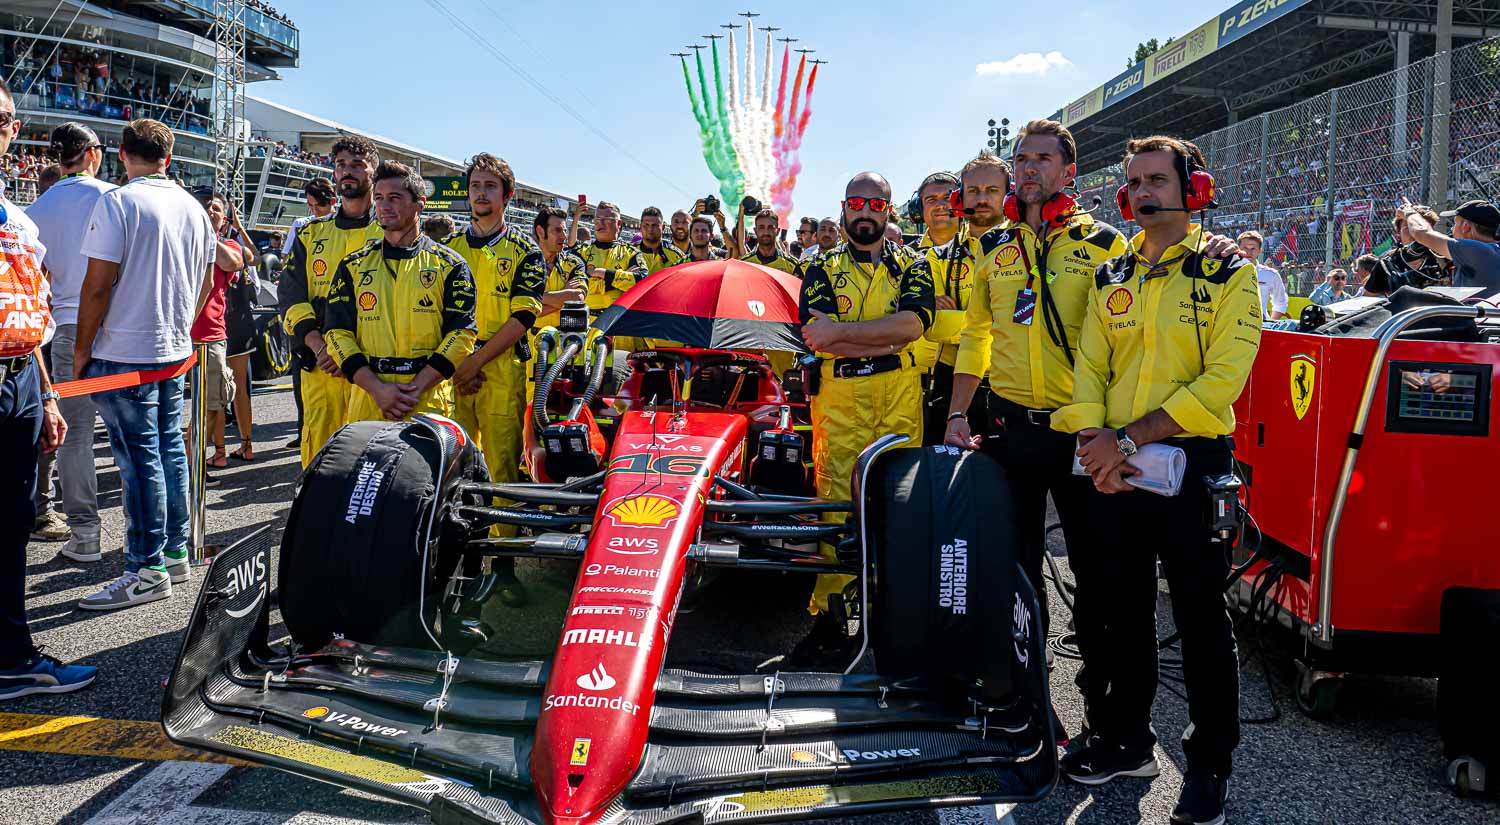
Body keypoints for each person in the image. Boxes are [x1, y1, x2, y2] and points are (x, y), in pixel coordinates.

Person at [1051, 136, 1261, 825]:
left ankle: (1209, 766)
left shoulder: (1229, 271)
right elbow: (1089, 370)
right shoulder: (1114, 273)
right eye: (1133, 181)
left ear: (1192, 187)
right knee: (1120, 610)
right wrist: (1096, 447)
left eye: (1155, 179)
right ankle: (1128, 740)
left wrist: (1127, 438)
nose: (1142, 191)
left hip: (1192, 463)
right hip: (1115, 465)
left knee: (1201, 617)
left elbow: (1224, 378)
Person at [945, 125, 1129, 701]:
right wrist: (958, 414)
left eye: (1042, 159)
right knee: (1015, 564)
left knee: (1095, 572)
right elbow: (977, 333)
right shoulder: (994, 246)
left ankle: (1103, 709)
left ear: (1068, 171)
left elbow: (1127, 339)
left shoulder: (1105, 244)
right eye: (1020, 158)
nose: (1028, 168)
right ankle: (1025, 690)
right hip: (1008, 428)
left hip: (1080, 434)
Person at [74, 118, 217, 611]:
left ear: (121, 154)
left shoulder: (117, 201)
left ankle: (146, 567)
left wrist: (80, 349)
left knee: (140, 463)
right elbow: (203, 283)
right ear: (169, 158)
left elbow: (96, 286)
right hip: (173, 347)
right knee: (167, 452)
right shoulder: (194, 209)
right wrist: (180, 326)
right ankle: (173, 552)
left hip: (125, 350)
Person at [795, 171, 934, 659]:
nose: (867, 211)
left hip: (898, 393)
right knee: (835, 507)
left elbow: (914, 325)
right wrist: (883, 334)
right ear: (843, 207)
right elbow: (816, 336)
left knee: (899, 503)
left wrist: (845, 333)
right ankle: (831, 616)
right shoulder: (819, 268)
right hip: (840, 398)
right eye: (858, 202)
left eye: (877, 204)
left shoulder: (912, 264)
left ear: (889, 211)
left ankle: (894, 615)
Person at [0, 78, 98, 699]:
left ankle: (11, 658)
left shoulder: (15, 212)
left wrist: (48, 391)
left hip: (19, 380)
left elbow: (30, 304)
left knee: (12, 522)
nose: (1, 129)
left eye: (6, 119)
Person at [442, 154, 544, 606]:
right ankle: (459, 562)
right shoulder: (444, 250)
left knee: (502, 470)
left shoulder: (526, 252)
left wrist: (474, 362)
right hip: (452, 369)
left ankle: (502, 566)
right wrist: (457, 365)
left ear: (507, 195)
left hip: (500, 370)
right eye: (475, 185)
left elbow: (523, 316)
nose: (480, 193)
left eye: (490, 186)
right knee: (451, 468)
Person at [323, 160, 476, 424]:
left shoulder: (450, 265)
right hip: (369, 400)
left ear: (420, 204)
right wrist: (377, 390)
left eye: (395, 197)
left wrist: (415, 389)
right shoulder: (353, 265)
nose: (384, 205)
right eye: (379, 197)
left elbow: (462, 334)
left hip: (428, 400)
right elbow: (337, 334)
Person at [24, 123, 115, 562]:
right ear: (93, 154)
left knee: (76, 436)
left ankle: (86, 537)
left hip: (65, 330)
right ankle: (148, 540)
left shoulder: (36, 209)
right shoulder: (113, 197)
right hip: (117, 333)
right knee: (132, 436)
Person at [279, 137, 383, 466]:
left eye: (356, 165)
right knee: (319, 454)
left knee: (366, 454)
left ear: (373, 171)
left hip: (371, 364)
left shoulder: (390, 232)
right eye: (340, 165)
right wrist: (319, 346)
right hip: (320, 362)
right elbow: (291, 296)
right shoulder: (310, 233)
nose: (347, 172)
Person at [281, 176, 336, 450]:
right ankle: (304, 428)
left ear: (332, 203)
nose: (314, 211)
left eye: (319, 206)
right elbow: (288, 274)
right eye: (311, 205)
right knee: (303, 378)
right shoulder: (303, 228)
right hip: (309, 325)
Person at [1404, 198, 1500, 297]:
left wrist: (1409, 212)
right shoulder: (1493, 251)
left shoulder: (1476, 250)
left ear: (1466, 227)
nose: (1451, 229)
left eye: (1455, 223)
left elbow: (1420, 233)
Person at [569, 201, 647, 312]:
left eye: (606, 219)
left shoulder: (631, 253)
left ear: (619, 223)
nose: (600, 223)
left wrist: (600, 273)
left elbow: (641, 282)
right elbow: (573, 285)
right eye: (597, 219)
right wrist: (619, 282)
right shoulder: (581, 251)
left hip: (617, 321)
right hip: (586, 321)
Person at [532, 206, 589, 329]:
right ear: (541, 232)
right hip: (529, 342)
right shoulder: (523, 261)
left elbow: (577, 298)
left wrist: (534, 297)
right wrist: (562, 297)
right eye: (557, 230)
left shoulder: (574, 262)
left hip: (564, 342)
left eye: (564, 231)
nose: (564, 236)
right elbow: (518, 309)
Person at [1237, 230, 1288, 320]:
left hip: (1258, 327)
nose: (1248, 252)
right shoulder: (1227, 271)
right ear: (1238, 249)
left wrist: (1270, 325)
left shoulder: (1271, 275)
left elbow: (1281, 303)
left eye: (1253, 248)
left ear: (1260, 250)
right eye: (1244, 248)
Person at [738, 208, 799, 274]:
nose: (766, 232)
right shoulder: (744, 263)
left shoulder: (792, 266)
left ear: (778, 231)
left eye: (770, 227)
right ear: (755, 231)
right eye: (761, 227)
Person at [638, 206, 685, 275]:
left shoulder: (677, 256)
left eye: (655, 225)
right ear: (640, 226)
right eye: (646, 225)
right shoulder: (628, 253)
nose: (650, 229)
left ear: (663, 227)